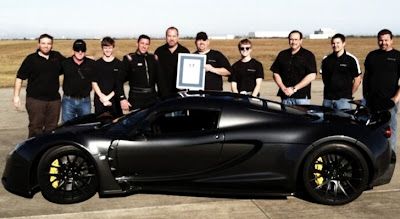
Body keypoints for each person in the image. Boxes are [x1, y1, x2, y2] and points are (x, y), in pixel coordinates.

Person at [13, 33, 65, 138]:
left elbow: (71, 65)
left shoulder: (57, 57)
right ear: (39, 45)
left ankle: (48, 153)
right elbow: (20, 78)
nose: (46, 46)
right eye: (43, 43)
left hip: (54, 100)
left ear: (52, 45)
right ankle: (33, 152)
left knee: (52, 128)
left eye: (49, 43)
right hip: (36, 100)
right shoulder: (31, 59)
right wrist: (16, 96)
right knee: (36, 128)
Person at [363, 29, 400, 152]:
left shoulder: (397, 56)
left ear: (391, 40)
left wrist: (395, 99)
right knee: (372, 130)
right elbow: (366, 76)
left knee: (390, 130)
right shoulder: (372, 56)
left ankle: (391, 154)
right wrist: (365, 96)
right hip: (372, 101)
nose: (383, 43)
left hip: (389, 101)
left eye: (386, 40)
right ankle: (375, 153)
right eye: (381, 40)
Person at [270, 30, 317, 105]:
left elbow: (312, 75)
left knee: (301, 116)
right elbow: (275, 73)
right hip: (285, 96)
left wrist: (294, 89)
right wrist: (283, 88)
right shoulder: (282, 54)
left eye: (296, 39)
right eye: (291, 39)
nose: (293, 42)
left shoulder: (308, 55)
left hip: (301, 97)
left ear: (301, 41)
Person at [320, 33, 361, 110]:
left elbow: (357, 80)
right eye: (333, 43)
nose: (335, 45)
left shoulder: (351, 59)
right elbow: (324, 78)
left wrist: (349, 94)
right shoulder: (326, 59)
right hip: (327, 100)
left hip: (344, 101)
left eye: (338, 43)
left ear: (344, 43)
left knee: (344, 121)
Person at [118, 34, 159, 111]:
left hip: (152, 98)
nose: (144, 46)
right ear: (137, 44)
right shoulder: (130, 59)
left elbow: (160, 79)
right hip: (136, 98)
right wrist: (122, 98)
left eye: (146, 44)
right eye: (142, 43)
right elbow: (119, 80)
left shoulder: (153, 59)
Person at [61, 39, 95, 122]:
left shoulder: (91, 63)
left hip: (85, 101)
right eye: (77, 50)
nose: (80, 52)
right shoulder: (65, 63)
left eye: (82, 50)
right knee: (66, 128)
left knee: (85, 127)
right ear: (73, 50)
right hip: (68, 101)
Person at [155, 27, 190, 98]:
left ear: (177, 37)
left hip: (180, 94)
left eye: (174, 36)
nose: (171, 39)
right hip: (163, 94)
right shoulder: (159, 51)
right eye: (169, 36)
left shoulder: (185, 52)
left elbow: (189, 73)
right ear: (166, 37)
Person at [92, 37, 123, 118]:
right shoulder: (97, 64)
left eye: (109, 47)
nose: (107, 50)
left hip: (114, 100)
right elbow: (94, 82)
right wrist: (102, 96)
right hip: (100, 101)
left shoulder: (119, 64)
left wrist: (108, 97)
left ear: (113, 48)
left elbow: (119, 84)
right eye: (105, 47)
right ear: (102, 48)